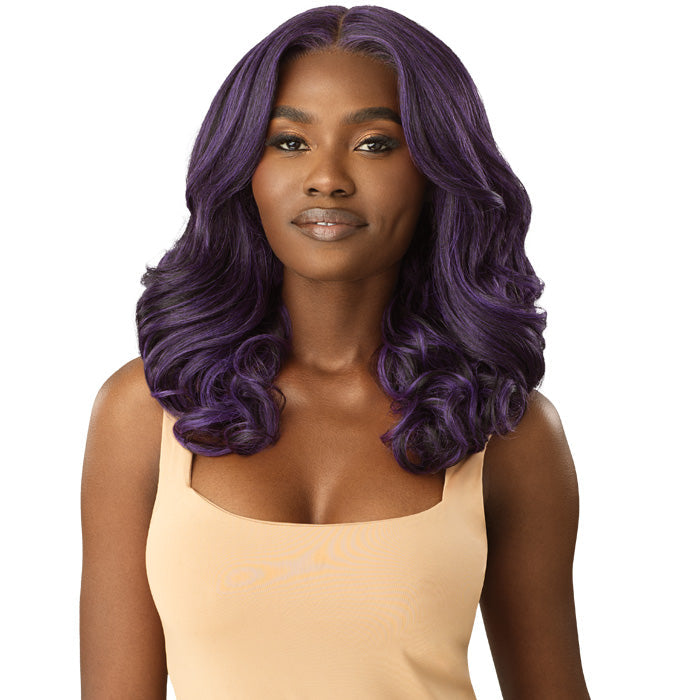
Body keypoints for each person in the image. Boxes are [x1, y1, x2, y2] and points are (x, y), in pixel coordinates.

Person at [80, 5, 590, 699]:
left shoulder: (507, 428)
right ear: (245, 169)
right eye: (290, 142)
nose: (327, 178)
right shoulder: (144, 411)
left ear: (436, 172)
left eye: (375, 144)